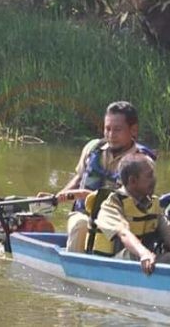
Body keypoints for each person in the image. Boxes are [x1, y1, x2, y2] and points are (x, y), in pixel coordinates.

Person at [50, 101, 156, 252]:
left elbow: (139, 200)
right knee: (79, 224)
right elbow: (80, 178)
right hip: (84, 215)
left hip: (119, 222)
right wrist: (57, 197)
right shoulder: (93, 148)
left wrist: (86, 195)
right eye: (107, 129)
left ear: (133, 130)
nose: (111, 135)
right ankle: (74, 268)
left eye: (117, 130)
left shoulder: (142, 161)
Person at [88, 153, 170, 275]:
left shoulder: (153, 204)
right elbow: (124, 233)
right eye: (149, 176)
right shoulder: (112, 204)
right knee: (133, 254)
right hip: (109, 265)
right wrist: (144, 253)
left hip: (145, 260)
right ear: (132, 181)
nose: (154, 180)